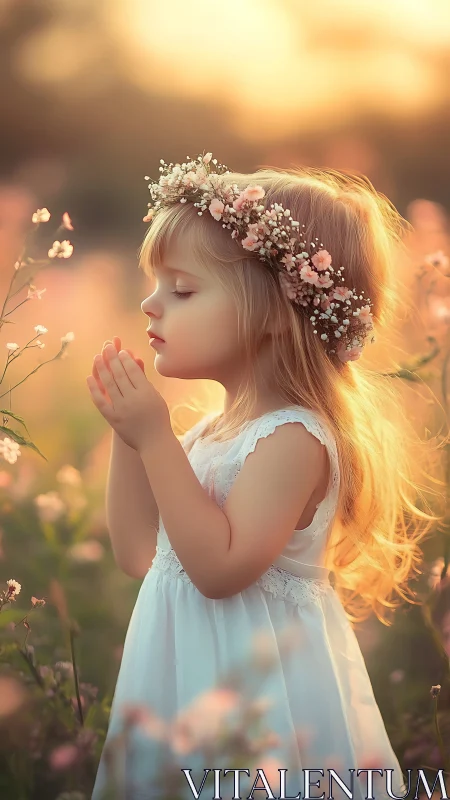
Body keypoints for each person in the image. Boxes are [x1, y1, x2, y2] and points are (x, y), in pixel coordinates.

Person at [88, 153, 441, 799]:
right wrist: (129, 435)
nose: (150, 303)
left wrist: (155, 437)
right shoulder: (206, 435)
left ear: (279, 312)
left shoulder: (291, 439)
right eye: (154, 284)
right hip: (186, 683)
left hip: (262, 703)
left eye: (183, 289)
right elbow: (140, 553)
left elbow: (219, 571)